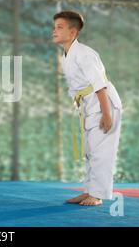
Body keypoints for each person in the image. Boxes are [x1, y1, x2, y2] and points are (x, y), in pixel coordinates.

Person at [52, 11, 122, 206]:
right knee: (91, 151)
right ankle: (90, 190)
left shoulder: (85, 53)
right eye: (54, 27)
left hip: (104, 105)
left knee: (102, 152)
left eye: (60, 27)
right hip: (90, 107)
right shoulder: (66, 55)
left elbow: (100, 85)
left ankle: (97, 195)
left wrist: (106, 114)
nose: (54, 31)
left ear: (73, 32)